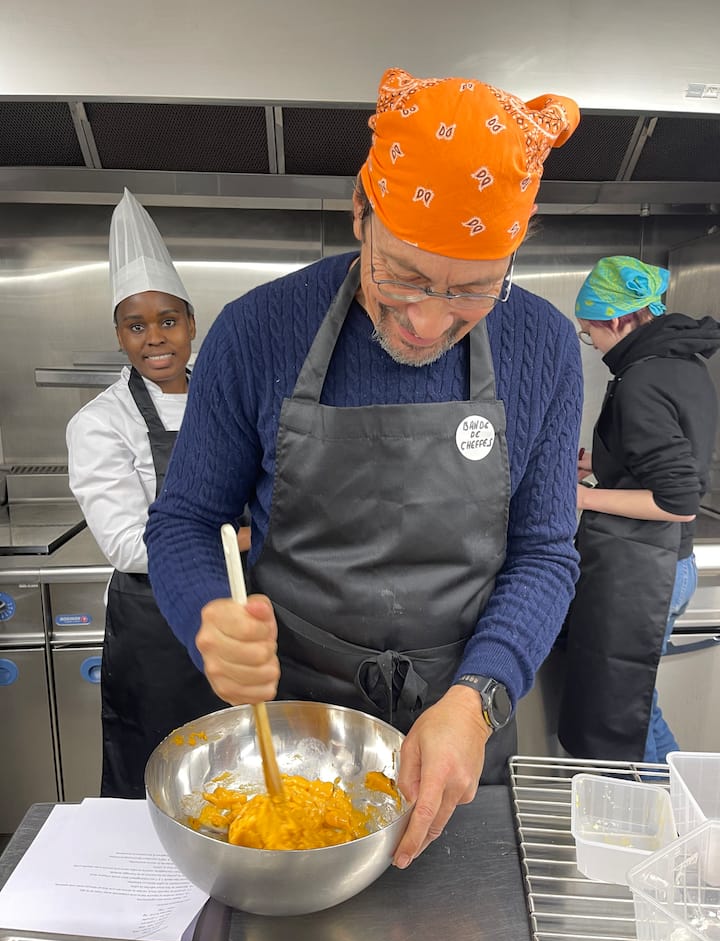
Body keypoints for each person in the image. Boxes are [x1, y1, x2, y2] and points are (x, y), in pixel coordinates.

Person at [145, 67, 582, 867]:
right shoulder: (257, 331)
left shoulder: (544, 346)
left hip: (462, 722)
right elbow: (184, 522)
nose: (428, 322)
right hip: (293, 732)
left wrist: (479, 699)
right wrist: (207, 615)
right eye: (403, 275)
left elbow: (545, 553)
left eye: (472, 291)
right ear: (359, 211)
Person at [66, 188, 233, 799]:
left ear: (191, 324)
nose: (155, 338)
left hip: (240, 616)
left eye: (168, 321)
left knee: (240, 767)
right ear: (120, 335)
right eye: (136, 326)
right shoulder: (100, 422)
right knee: (158, 781)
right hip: (156, 630)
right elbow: (127, 544)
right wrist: (245, 540)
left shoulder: (227, 397)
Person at [558, 255, 720, 764]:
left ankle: (655, 808)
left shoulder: (642, 382)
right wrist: (600, 464)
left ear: (618, 321)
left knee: (622, 723)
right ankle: (678, 802)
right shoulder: (680, 363)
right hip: (667, 564)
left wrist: (582, 496)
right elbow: (672, 454)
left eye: (590, 332)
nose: (593, 343)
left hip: (649, 570)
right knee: (637, 710)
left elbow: (678, 501)